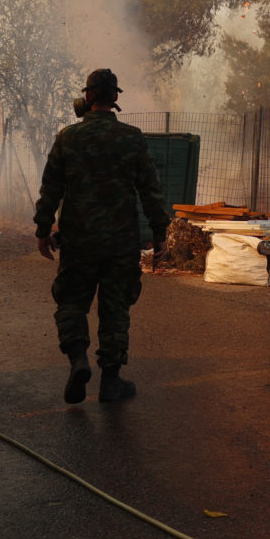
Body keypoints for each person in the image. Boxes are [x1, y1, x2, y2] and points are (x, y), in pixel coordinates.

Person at [34, 69, 169, 403]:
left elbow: (51, 187)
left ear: (88, 97)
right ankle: (111, 381)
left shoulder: (68, 137)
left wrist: (42, 229)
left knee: (71, 302)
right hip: (121, 242)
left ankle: (78, 360)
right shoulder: (133, 138)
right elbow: (151, 191)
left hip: (78, 240)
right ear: (115, 98)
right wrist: (160, 234)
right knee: (115, 309)